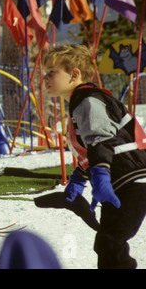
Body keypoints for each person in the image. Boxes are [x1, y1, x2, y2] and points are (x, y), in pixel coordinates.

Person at [43, 44, 146, 269]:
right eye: (44, 74)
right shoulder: (81, 102)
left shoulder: (89, 100)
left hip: (133, 181)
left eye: (52, 72)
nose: (45, 78)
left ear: (74, 74)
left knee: (110, 242)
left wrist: (99, 175)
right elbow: (95, 148)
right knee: (108, 243)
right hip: (121, 182)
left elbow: (103, 141)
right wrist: (79, 179)